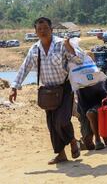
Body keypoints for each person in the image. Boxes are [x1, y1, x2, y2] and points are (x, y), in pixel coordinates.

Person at [9, 17, 81, 164]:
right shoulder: (34, 49)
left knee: (61, 120)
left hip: (65, 88)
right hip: (47, 91)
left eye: (45, 28)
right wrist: (14, 87)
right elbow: (25, 68)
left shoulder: (61, 44)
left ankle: (73, 141)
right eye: (39, 29)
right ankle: (61, 154)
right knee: (51, 124)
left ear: (51, 29)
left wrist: (70, 48)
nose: (43, 31)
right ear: (36, 32)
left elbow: (78, 60)